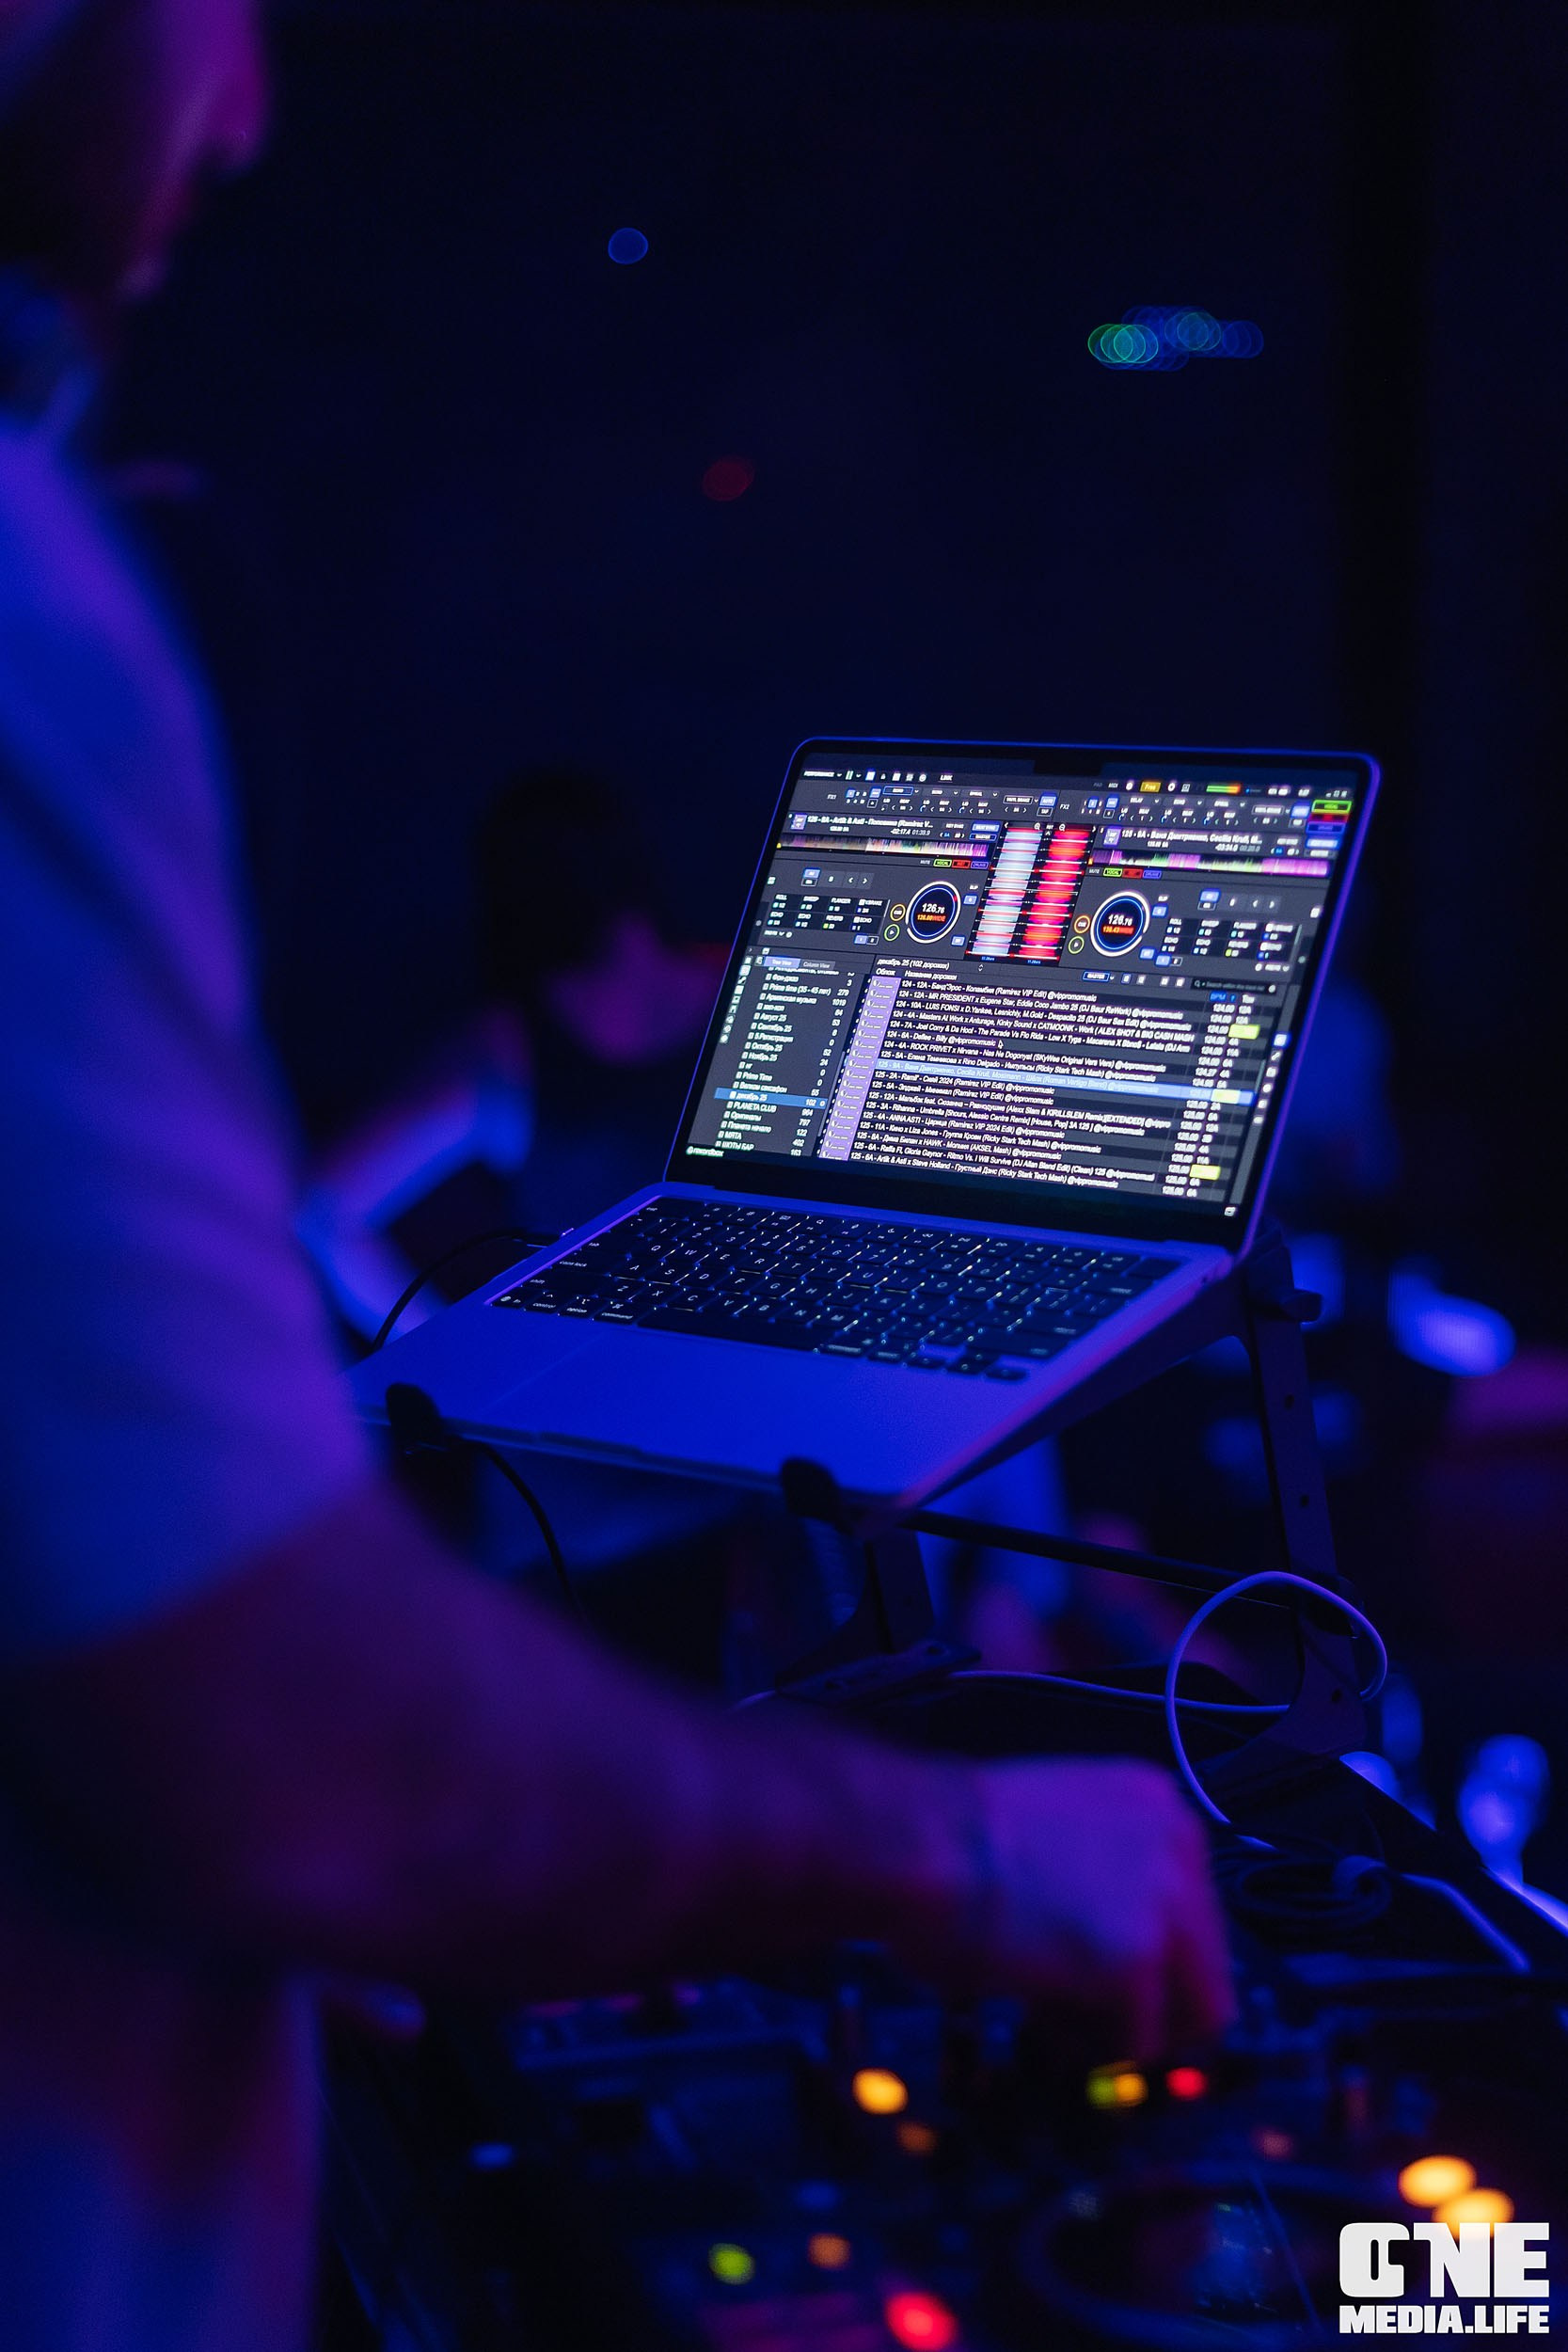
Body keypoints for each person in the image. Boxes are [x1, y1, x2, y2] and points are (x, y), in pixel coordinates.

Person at [0, 6, 1233, 2348]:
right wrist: (968, 1856)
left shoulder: (541, 1023)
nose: (246, 109)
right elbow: (306, 1743)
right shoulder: (30, 624)